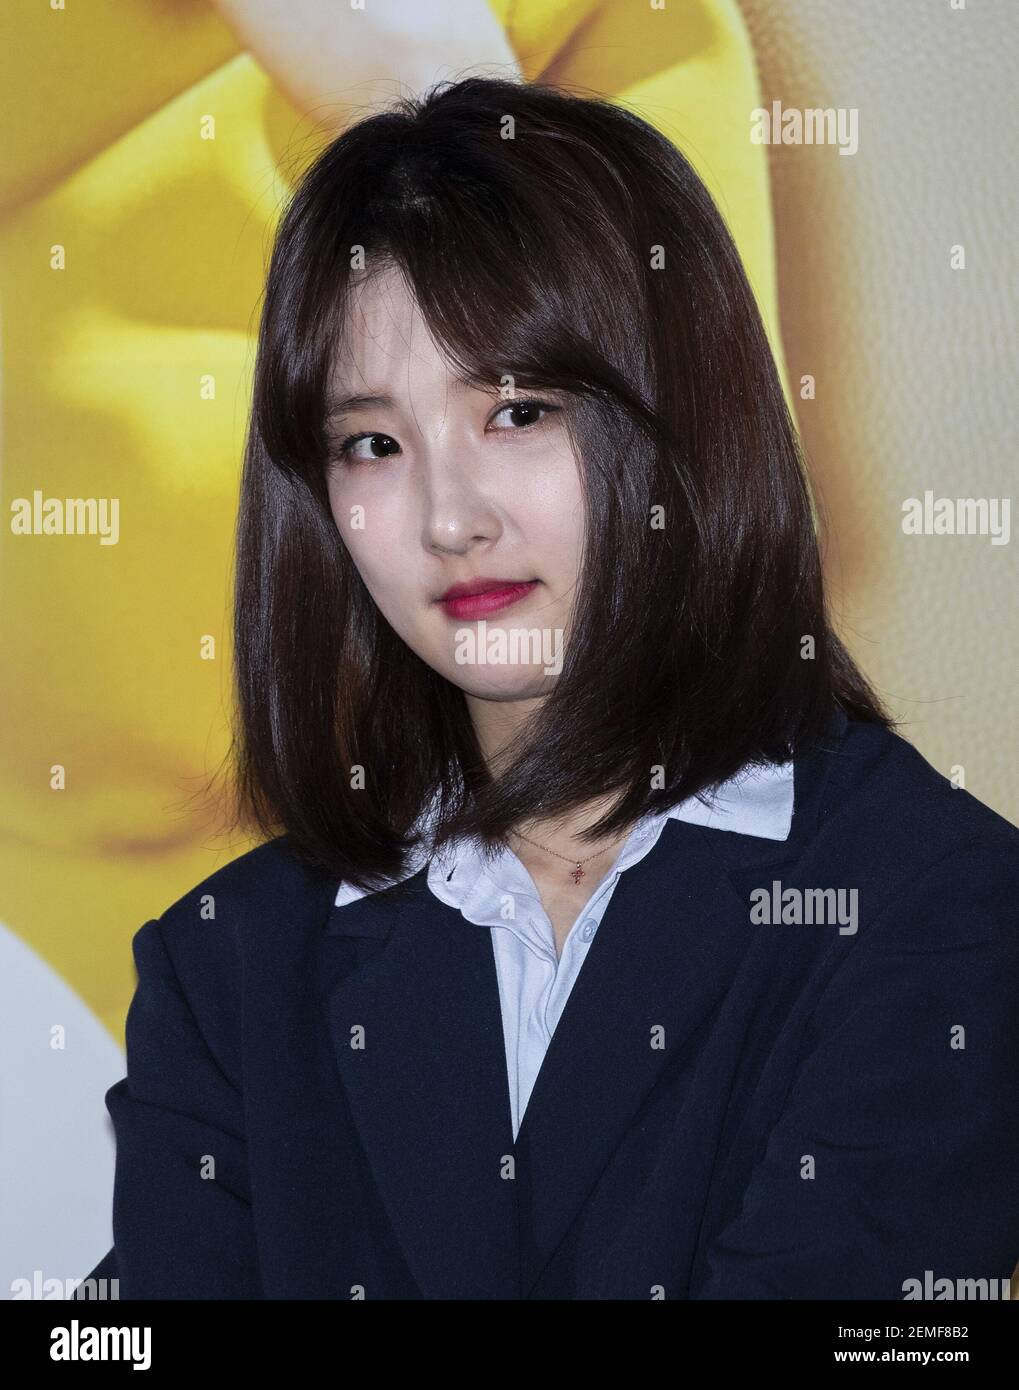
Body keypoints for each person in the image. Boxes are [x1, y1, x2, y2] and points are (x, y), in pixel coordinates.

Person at [76, 76, 1019, 1301]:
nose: (448, 518)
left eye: (517, 411)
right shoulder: (232, 962)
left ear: (684, 419)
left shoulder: (935, 905)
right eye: (373, 443)